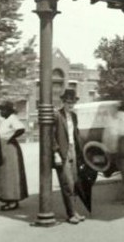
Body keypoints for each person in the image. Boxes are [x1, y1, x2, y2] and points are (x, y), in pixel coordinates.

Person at [53, 89, 86, 224]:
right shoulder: (57, 115)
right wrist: (56, 153)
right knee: (67, 184)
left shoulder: (74, 116)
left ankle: (74, 211)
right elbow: (51, 135)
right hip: (63, 152)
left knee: (75, 182)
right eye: (68, 102)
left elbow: (75, 134)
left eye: (73, 102)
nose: (70, 105)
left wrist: (80, 152)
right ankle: (71, 214)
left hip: (73, 150)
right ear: (63, 102)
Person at [0, 101, 28, 211]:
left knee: (11, 174)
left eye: (3, 110)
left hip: (9, 148)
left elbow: (21, 129)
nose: (1, 112)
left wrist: (11, 138)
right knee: (4, 174)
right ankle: (8, 198)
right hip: (4, 147)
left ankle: (13, 200)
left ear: (9, 110)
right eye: (1, 110)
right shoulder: (5, 120)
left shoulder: (12, 118)